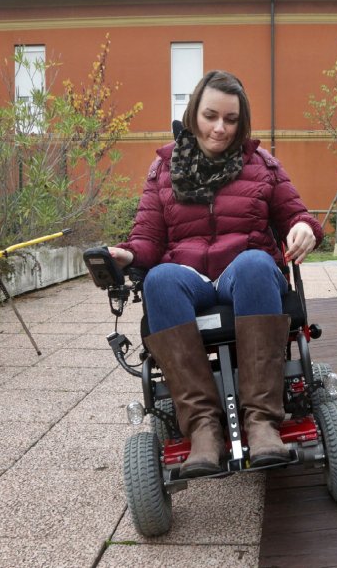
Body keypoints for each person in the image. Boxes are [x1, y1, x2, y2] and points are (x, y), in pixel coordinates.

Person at [108, 70, 323, 476]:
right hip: (189, 280)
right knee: (160, 278)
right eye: (210, 116)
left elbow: (298, 215)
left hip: (247, 274)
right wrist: (124, 255)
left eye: (230, 119)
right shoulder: (163, 171)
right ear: (193, 115)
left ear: (242, 123)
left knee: (256, 263)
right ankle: (202, 428)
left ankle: (261, 421)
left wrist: (304, 229)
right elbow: (147, 241)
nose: (219, 129)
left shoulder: (262, 165)